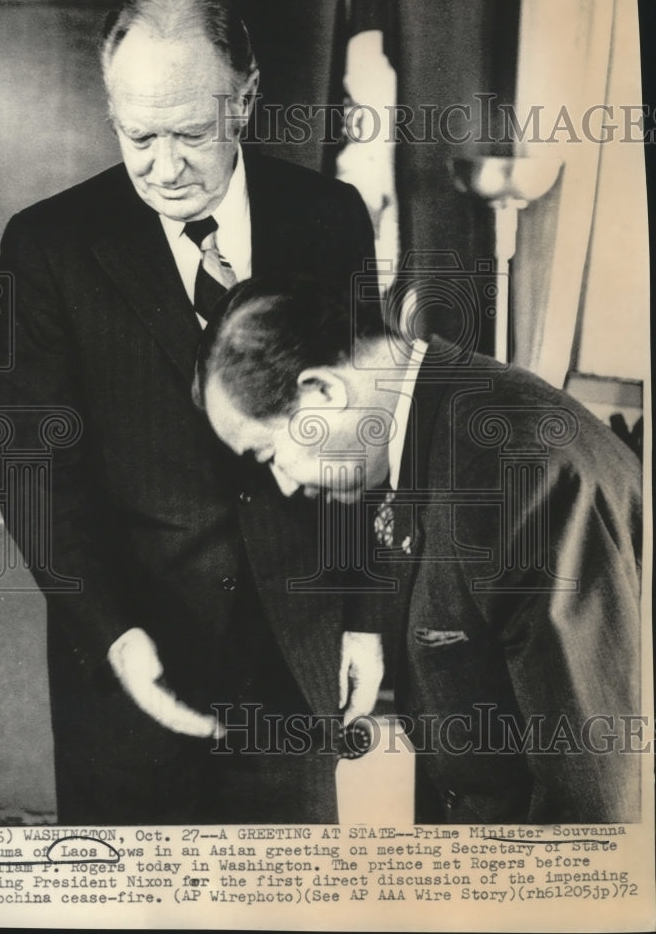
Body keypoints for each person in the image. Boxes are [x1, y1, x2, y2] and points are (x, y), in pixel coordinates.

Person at [0, 0, 380, 824]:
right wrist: (115, 636)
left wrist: (365, 616)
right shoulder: (47, 247)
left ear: (243, 99)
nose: (164, 168)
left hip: (296, 661)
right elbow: (34, 471)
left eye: (192, 134)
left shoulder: (329, 219)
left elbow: (361, 430)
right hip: (132, 667)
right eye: (138, 135)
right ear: (111, 109)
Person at [196, 275, 644, 824]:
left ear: (321, 393)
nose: (285, 486)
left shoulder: (517, 473)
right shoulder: (433, 423)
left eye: (268, 455)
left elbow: (591, 788)